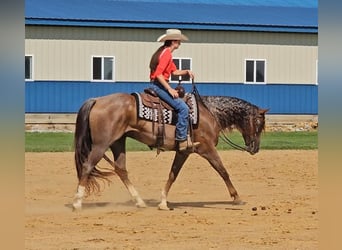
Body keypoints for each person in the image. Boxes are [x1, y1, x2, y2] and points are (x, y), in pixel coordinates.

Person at [149, 29, 200, 151]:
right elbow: (158, 74)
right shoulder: (166, 54)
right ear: (173, 41)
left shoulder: (164, 53)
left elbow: (175, 72)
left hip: (158, 84)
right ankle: (181, 139)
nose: (180, 43)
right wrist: (169, 89)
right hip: (159, 85)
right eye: (178, 40)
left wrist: (187, 71)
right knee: (183, 108)